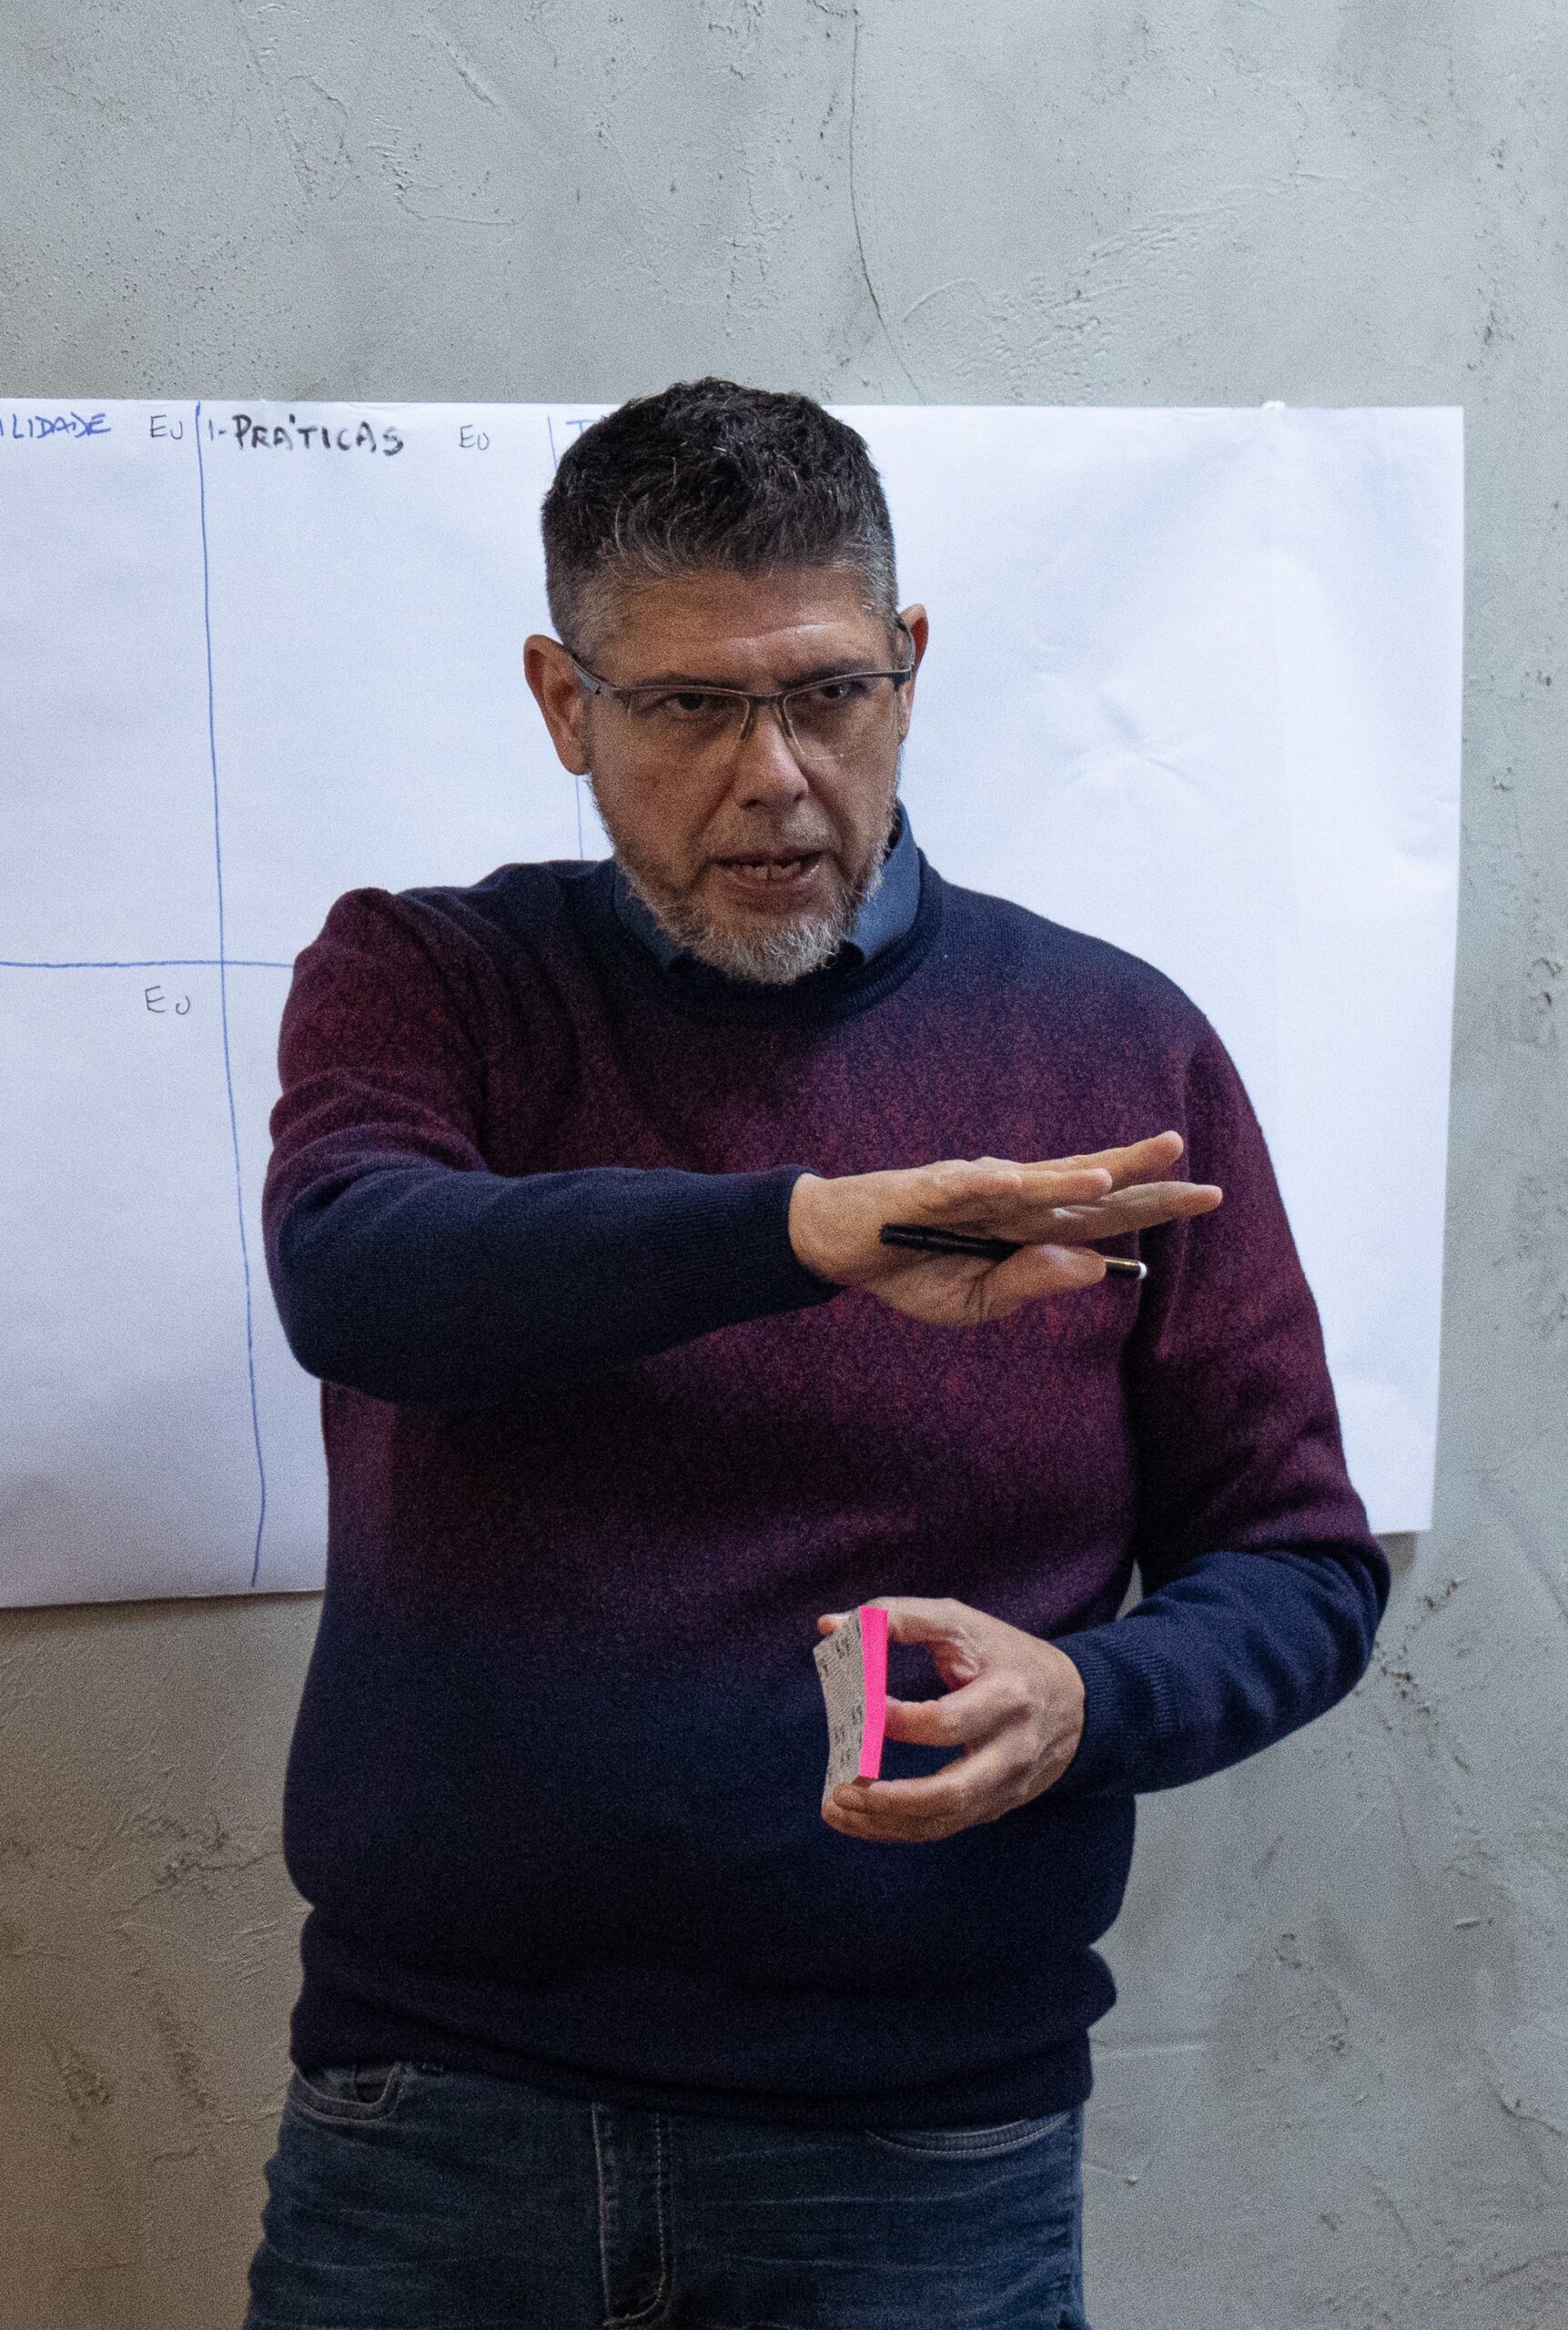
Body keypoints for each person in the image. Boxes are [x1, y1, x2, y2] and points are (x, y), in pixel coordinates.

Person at [245, 379, 1388, 2330]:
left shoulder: (1117, 1049)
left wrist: (1089, 1700)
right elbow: (361, 1278)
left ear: (908, 668)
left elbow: (1296, 1561)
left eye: (830, 695)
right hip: (436, 2120)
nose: (773, 775)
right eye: (689, 706)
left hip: (920, 2154)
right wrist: (806, 1229)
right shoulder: (431, 979)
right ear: (564, 702)